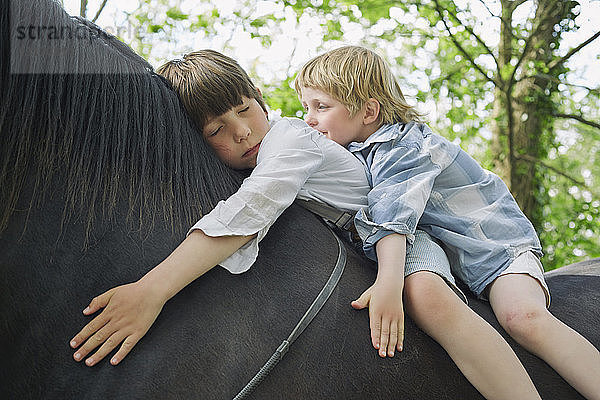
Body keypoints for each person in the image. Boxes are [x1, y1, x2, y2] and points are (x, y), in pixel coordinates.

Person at [68, 50, 455, 371]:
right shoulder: (252, 160)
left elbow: (251, 209)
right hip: (368, 244)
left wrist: (150, 291)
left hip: (398, 238)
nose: (241, 132)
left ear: (258, 95)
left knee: (432, 302)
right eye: (215, 131)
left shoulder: (291, 139)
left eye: (243, 109)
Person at [295, 45, 600, 400]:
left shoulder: (402, 144)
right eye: (306, 107)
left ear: (369, 111)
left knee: (523, 318)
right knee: (432, 300)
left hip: (492, 248)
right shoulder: (351, 152)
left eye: (321, 107)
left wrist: (388, 283)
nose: (309, 119)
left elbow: (394, 214)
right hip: (444, 250)